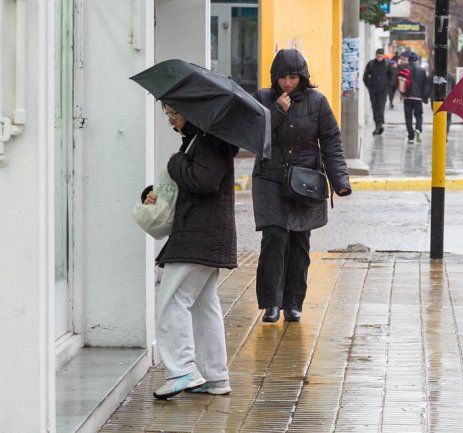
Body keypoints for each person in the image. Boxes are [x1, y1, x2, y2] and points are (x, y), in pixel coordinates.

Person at [141, 102, 238, 399]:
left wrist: (175, 162)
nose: (171, 120)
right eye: (167, 114)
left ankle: (182, 370)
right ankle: (214, 376)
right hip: (202, 233)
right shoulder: (201, 139)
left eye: (173, 112)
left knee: (171, 301)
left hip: (200, 235)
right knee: (201, 304)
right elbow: (191, 183)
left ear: (190, 109)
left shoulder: (211, 140)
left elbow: (203, 181)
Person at [252, 49, 351, 323]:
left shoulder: (317, 101)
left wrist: (340, 180)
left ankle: (293, 302)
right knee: (274, 236)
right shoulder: (263, 98)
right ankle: (271, 302)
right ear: (274, 77)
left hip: (305, 181)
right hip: (269, 177)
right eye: (282, 76)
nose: (287, 82)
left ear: (302, 77)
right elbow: (252, 134)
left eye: (292, 76)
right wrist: (276, 112)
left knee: (298, 240)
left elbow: (331, 140)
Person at [402, 52, 431, 144]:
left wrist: (402, 93)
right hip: (418, 98)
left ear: (409, 60)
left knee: (408, 117)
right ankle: (418, 129)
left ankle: (411, 137)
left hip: (407, 97)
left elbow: (400, 82)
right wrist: (425, 97)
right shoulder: (422, 70)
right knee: (418, 115)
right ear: (417, 60)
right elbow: (426, 85)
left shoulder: (404, 69)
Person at [363, 48, 393, 135]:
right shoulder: (371, 64)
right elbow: (365, 76)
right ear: (376, 55)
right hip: (373, 89)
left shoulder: (387, 64)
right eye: (378, 56)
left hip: (383, 90)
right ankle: (378, 124)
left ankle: (379, 124)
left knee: (381, 107)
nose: (379, 58)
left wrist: (388, 86)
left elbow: (391, 75)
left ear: (383, 56)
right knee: (375, 107)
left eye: (381, 56)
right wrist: (369, 86)